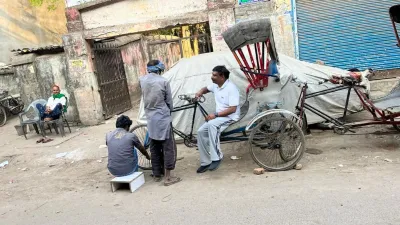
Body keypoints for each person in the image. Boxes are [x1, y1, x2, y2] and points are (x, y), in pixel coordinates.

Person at [139, 59, 181, 186]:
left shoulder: (142, 80)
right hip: (162, 117)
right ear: (159, 69)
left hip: (150, 118)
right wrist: (169, 111)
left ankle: (157, 174)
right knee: (169, 148)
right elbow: (169, 102)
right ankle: (168, 177)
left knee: (154, 146)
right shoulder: (163, 81)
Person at [195, 65, 240, 173]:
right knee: (200, 132)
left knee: (212, 124)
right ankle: (206, 162)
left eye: (214, 75)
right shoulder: (216, 85)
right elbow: (206, 89)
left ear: (222, 76)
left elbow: (233, 109)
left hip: (230, 117)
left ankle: (217, 157)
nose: (212, 77)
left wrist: (215, 115)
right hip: (220, 117)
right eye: (212, 75)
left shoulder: (231, 88)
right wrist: (199, 92)